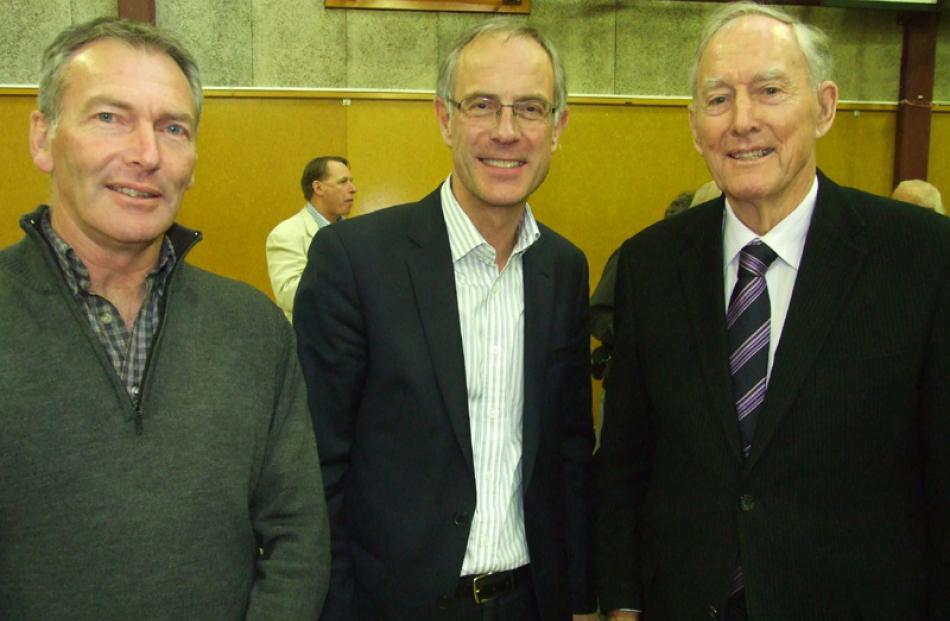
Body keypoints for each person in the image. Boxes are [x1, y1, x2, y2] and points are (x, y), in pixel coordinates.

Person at [594, 3, 950, 620]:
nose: (743, 121)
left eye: (770, 91)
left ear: (825, 107)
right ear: (693, 125)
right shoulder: (651, 265)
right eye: (718, 99)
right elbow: (627, 456)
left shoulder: (921, 259)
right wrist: (622, 602)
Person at [0, 17, 329, 619]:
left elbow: (298, 535)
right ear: (43, 138)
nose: (146, 155)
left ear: (193, 160)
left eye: (172, 128)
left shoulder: (251, 329)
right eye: (110, 117)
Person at [294, 19, 597, 621]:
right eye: (482, 105)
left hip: (528, 603)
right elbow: (314, 467)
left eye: (530, 109)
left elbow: (568, 453)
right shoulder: (355, 262)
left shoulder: (563, 267)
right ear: (444, 118)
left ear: (557, 128)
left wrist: (579, 597)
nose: (506, 132)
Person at [266, 156, 356, 321]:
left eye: (351, 181)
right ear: (318, 188)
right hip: (313, 339)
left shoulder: (355, 232)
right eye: (343, 182)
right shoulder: (286, 234)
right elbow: (289, 296)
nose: (353, 188)